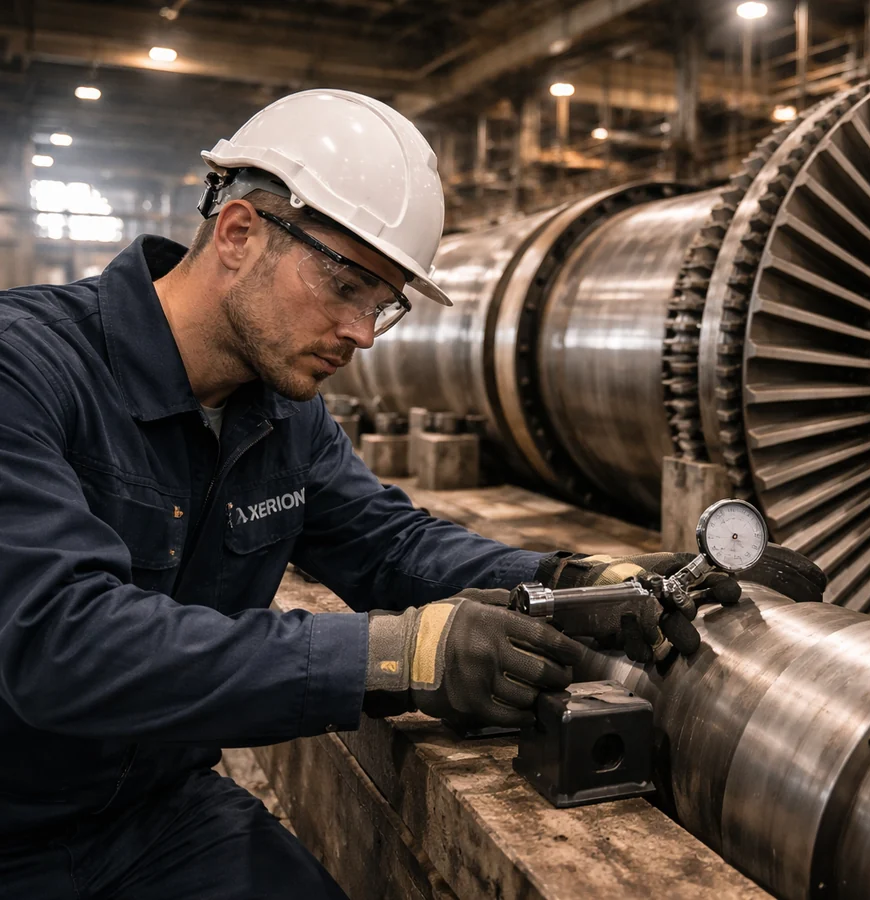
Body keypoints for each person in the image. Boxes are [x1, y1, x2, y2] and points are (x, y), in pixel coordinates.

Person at [0, 89, 822, 899]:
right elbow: (60, 643)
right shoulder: (27, 371)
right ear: (241, 233)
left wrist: (584, 581)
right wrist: (396, 654)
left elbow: (391, 546)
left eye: (384, 304)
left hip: (153, 812)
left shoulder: (283, 419)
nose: (362, 334)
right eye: (346, 286)